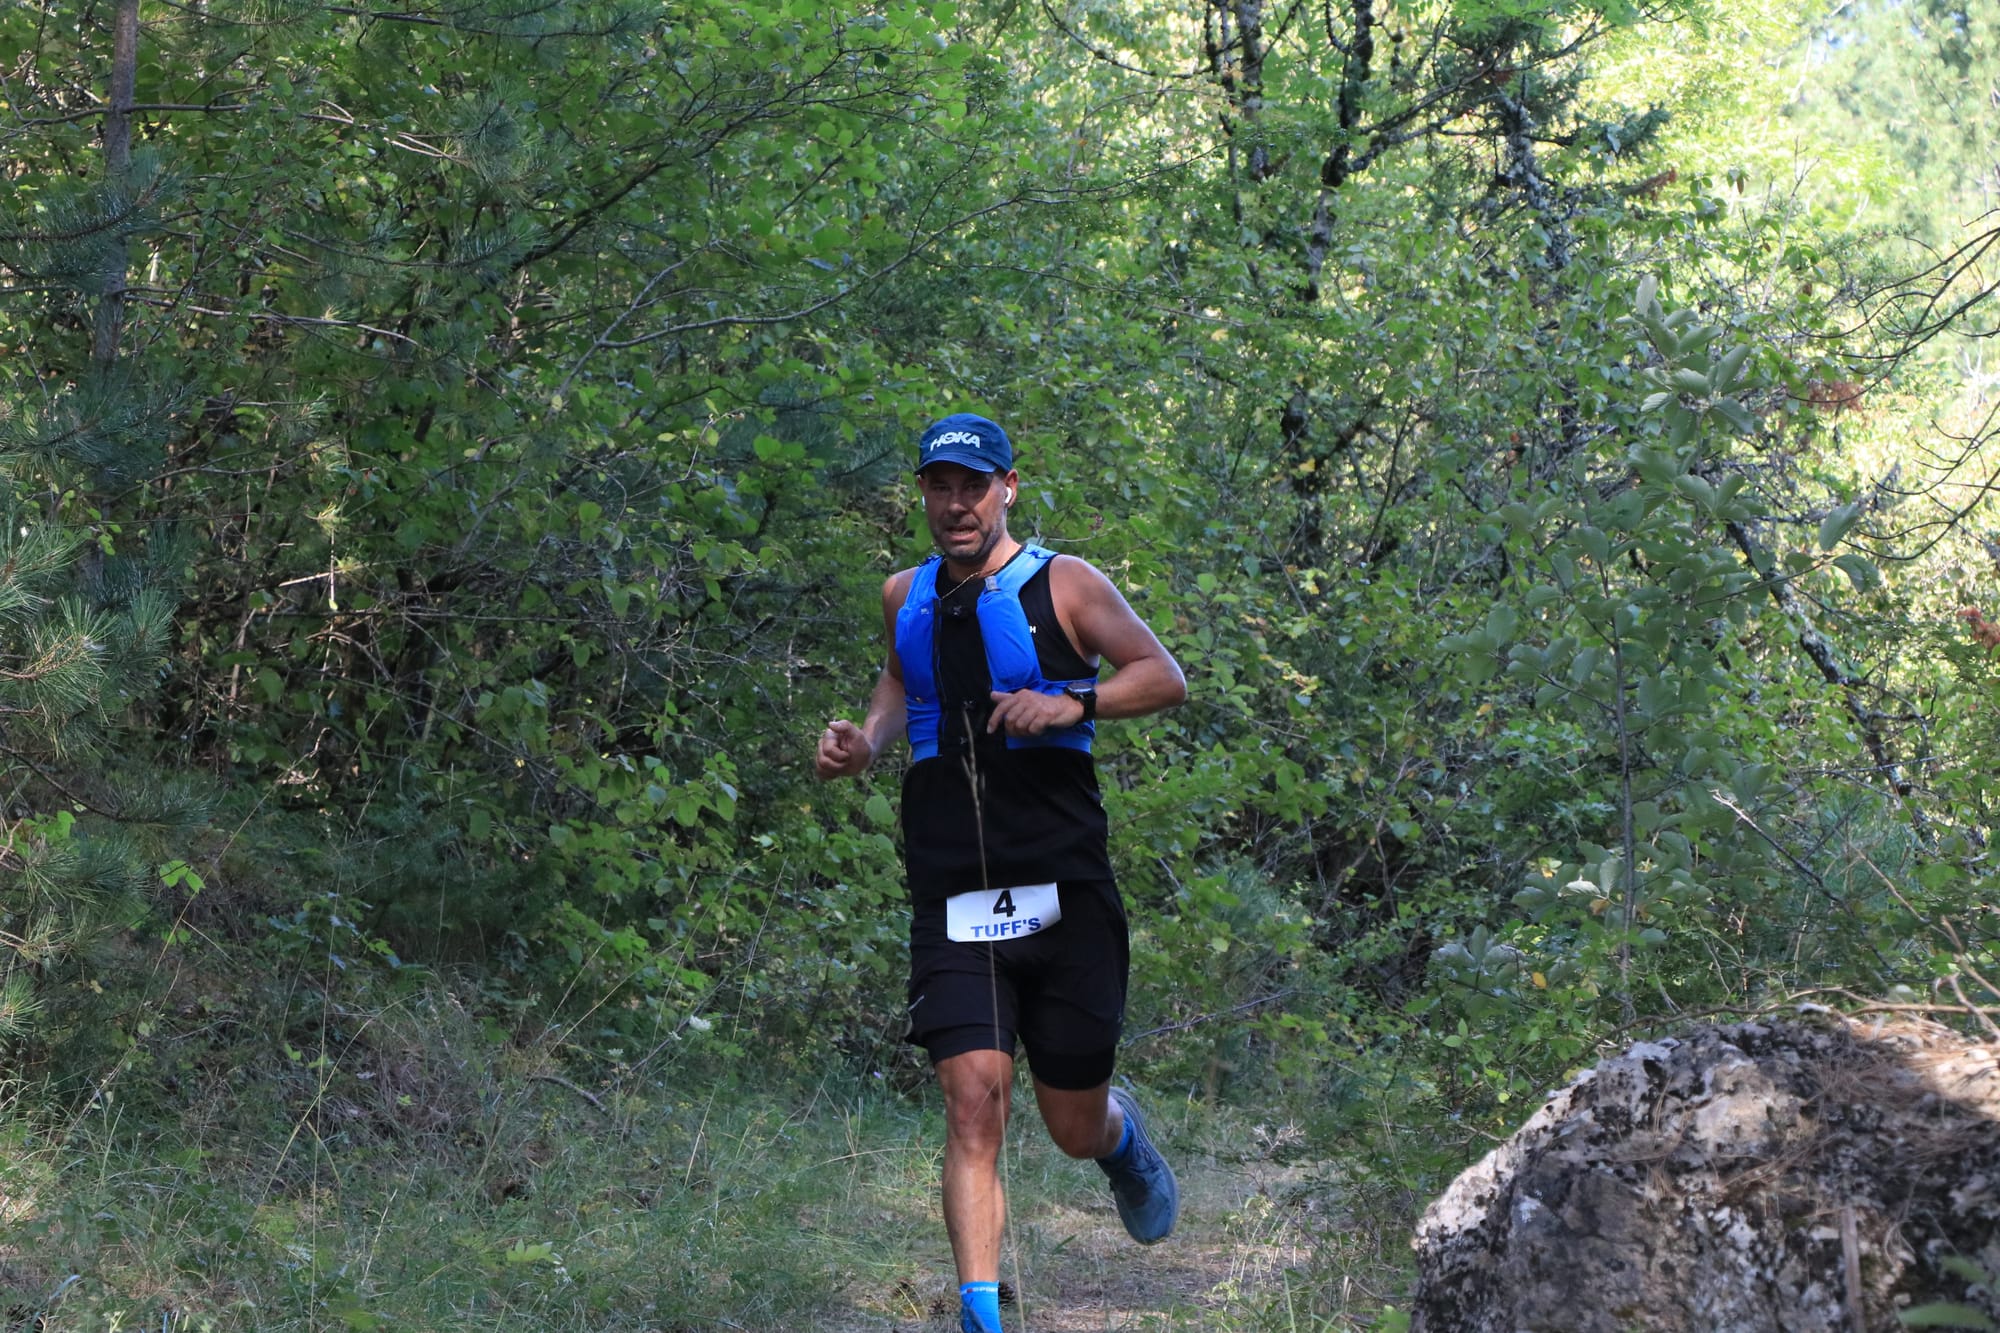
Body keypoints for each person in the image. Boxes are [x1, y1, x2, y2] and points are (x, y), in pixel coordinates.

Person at [814, 412, 1188, 1333]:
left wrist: (1073, 702)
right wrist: (867, 743)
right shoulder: (904, 594)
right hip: (954, 896)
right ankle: (982, 1318)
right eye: (939, 486)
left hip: (1066, 895)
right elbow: (901, 683)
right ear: (923, 495)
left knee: (1070, 1125)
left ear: (1007, 488)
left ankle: (1118, 1138)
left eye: (973, 486)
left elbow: (1162, 675)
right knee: (973, 1102)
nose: (956, 504)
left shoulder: (1066, 583)